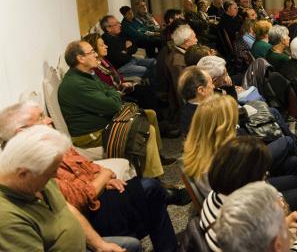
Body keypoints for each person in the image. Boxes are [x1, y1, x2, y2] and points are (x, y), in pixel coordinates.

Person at [0, 101, 182, 251]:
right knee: (149, 192)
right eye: (40, 117)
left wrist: (100, 244)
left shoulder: (41, 168)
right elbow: (78, 200)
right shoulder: (13, 209)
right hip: (93, 207)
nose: (48, 119)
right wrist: (102, 177)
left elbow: (68, 206)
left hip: (94, 209)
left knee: (148, 194)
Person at [0, 125, 142, 252]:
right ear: (23, 173)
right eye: (51, 172)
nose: (55, 176)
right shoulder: (7, 218)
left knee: (132, 244)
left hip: (82, 244)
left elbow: (68, 209)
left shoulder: (37, 180)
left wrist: (100, 245)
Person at [58, 40, 172, 178]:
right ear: (80, 58)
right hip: (91, 135)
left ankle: (156, 158)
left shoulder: (87, 74)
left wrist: (112, 94)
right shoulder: (76, 84)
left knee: (150, 114)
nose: (95, 55)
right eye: (91, 52)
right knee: (147, 130)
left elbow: (109, 90)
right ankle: (154, 178)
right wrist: (114, 94)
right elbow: (113, 105)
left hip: (105, 122)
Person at [203, 139, 297, 252]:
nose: (265, 179)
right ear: (247, 181)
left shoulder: (216, 198)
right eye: (263, 175)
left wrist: (284, 223)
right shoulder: (242, 214)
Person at [183, 95, 297, 197]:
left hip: (245, 189)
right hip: (247, 202)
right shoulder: (221, 156)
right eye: (231, 120)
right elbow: (243, 187)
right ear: (221, 125)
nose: (235, 123)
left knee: (293, 162)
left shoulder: (202, 146)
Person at [177, 66, 214, 136]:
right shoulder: (208, 114)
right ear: (201, 90)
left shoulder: (186, 110)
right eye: (211, 83)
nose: (213, 86)